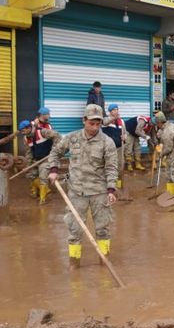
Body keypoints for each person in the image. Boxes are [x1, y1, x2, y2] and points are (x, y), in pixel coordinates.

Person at [48, 105, 117, 267]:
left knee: (103, 228)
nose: (94, 127)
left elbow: (111, 167)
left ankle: (104, 261)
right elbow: (55, 152)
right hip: (76, 191)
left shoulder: (107, 142)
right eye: (91, 123)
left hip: (99, 191)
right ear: (84, 120)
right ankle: (74, 263)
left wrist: (111, 189)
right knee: (74, 229)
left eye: (98, 124)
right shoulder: (72, 138)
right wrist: (53, 169)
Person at [19, 110, 61, 204]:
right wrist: (28, 166)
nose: (22, 133)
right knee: (31, 175)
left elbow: (58, 136)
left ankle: (42, 199)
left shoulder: (42, 132)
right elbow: (29, 153)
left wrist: (54, 151)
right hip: (36, 160)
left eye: (23, 130)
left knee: (43, 176)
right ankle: (41, 191)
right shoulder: (26, 138)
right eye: (21, 131)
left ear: (29, 127)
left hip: (47, 159)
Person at [101, 104, 125, 188]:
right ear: (110, 111)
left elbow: (125, 133)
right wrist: (114, 118)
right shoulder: (105, 120)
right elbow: (105, 123)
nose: (116, 111)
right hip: (108, 149)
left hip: (119, 147)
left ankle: (117, 186)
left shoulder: (121, 121)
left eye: (117, 109)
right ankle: (107, 185)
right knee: (108, 166)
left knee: (119, 165)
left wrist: (124, 137)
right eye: (114, 110)